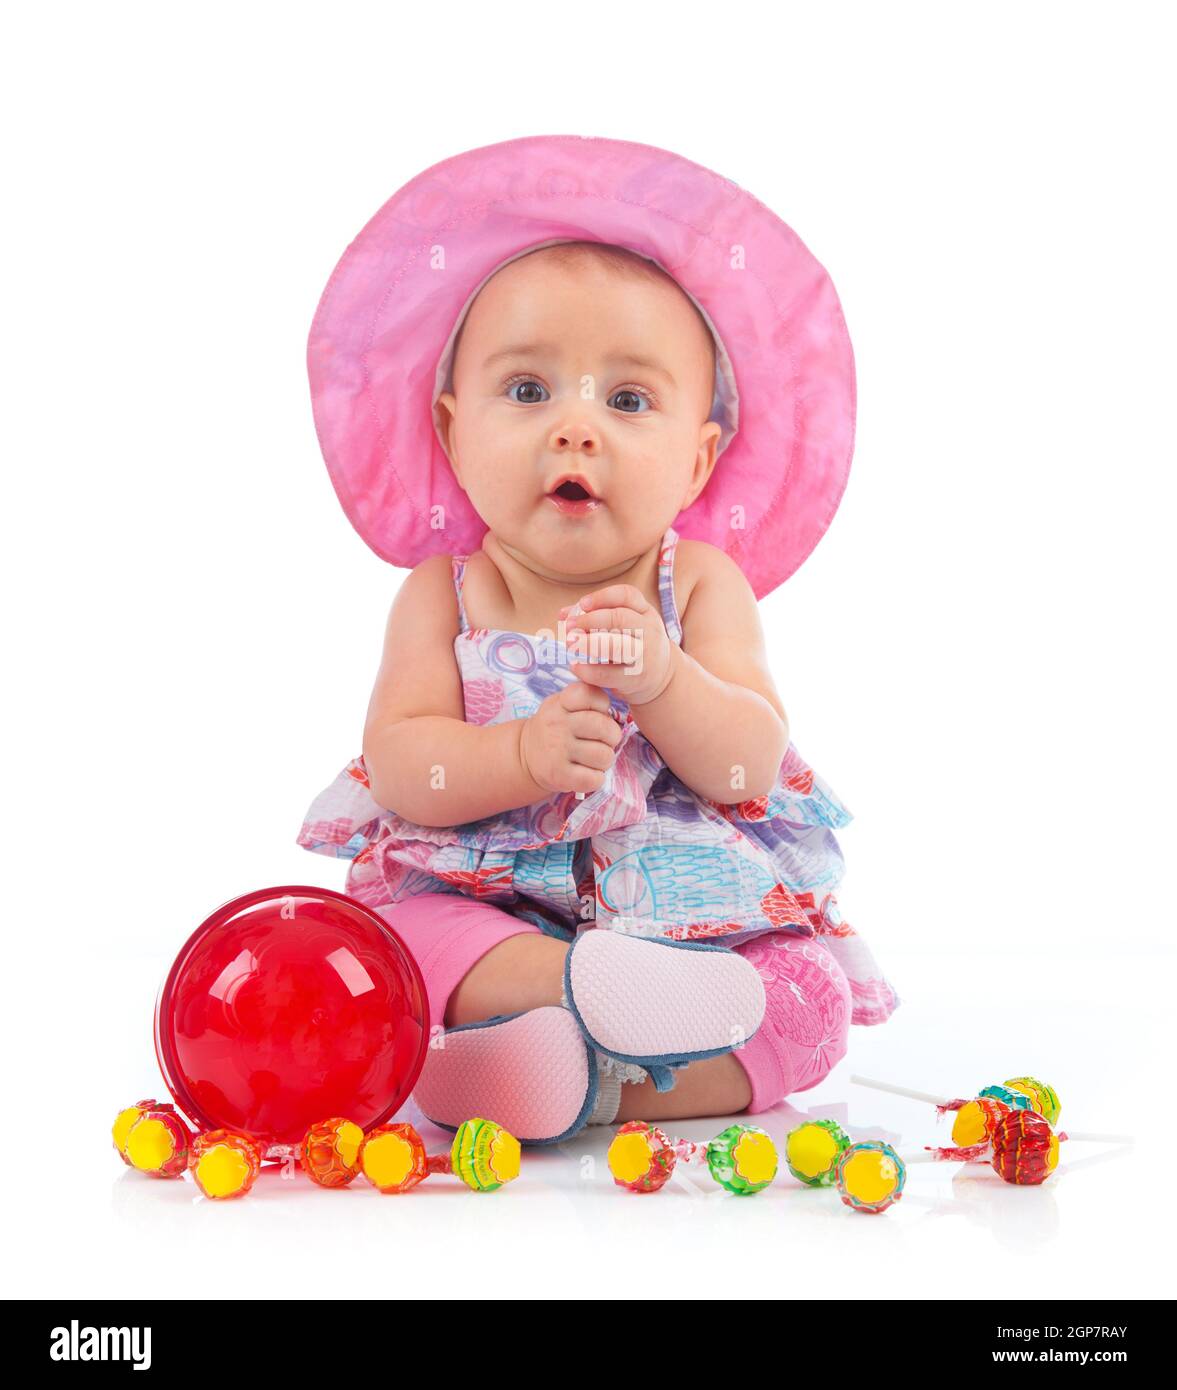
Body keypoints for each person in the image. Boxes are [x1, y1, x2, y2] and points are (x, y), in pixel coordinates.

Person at [298, 136, 899, 1145]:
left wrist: (665, 680)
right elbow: (405, 765)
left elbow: (751, 760)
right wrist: (519, 753)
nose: (575, 429)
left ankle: (588, 1082)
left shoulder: (699, 585)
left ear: (700, 458)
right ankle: (564, 990)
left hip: (687, 933)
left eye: (627, 401)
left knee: (806, 1001)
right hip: (496, 916)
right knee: (404, 938)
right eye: (529, 391)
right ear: (450, 429)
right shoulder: (447, 594)